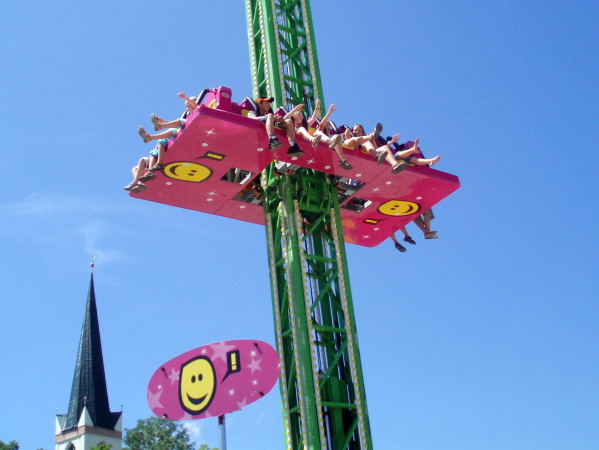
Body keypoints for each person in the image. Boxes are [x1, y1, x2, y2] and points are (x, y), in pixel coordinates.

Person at [290, 101, 349, 168]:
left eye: (302, 115)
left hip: (308, 145)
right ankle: (312, 139)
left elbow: (313, 118)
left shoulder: (305, 126)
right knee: (301, 129)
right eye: (299, 115)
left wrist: (317, 107)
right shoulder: (291, 126)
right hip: (298, 143)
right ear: (294, 116)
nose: (302, 117)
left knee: (318, 132)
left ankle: (330, 141)